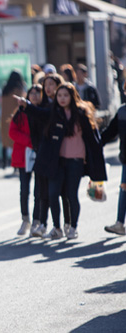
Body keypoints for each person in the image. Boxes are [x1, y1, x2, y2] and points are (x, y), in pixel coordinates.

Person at [17, 83, 107, 239]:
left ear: (72, 97)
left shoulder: (81, 113)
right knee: (52, 194)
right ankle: (57, 228)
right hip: (56, 160)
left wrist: (96, 163)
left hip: (76, 160)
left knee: (71, 195)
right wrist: (27, 105)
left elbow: (93, 140)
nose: (62, 99)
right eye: (59, 96)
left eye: (65, 95)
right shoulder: (54, 112)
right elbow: (39, 113)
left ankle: (73, 227)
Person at [9, 85, 41, 236]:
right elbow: (12, 132)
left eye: (37, 93)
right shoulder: (21, 113)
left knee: (39, 191)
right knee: (24, 190)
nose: (34, 96)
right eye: (31, 93)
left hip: (40, 155)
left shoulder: (44, 111)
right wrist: (30, 141)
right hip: (23, 156)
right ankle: (25, 220)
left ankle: (37, 221)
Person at [101, 86, 126, 236]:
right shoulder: (122, 111)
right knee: (124, 189)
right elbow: (110, 132)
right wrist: (94, 145)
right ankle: (119, 223)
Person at [1, 70, 26, 169]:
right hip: (15, 118)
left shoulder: (5, 89)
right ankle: (15, 164)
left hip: (4, 118)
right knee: (15, 141)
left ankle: (4, 162)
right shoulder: (19, 89)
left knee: (5, 141)